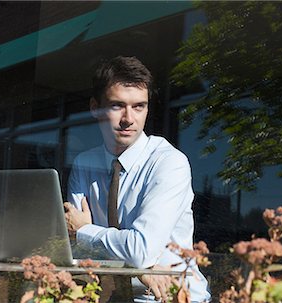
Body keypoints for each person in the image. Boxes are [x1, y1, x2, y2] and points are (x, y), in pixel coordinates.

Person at [64, 56, 211, 303]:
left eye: (139, 106)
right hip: (114, 295)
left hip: (172, 298)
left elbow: (139, 250)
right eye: (117, 106)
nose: (128, 119)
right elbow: (77, 248)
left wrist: (86, 230)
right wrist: (140, 268)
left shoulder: (168, 163)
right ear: (94, 107)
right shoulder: (84, 164)